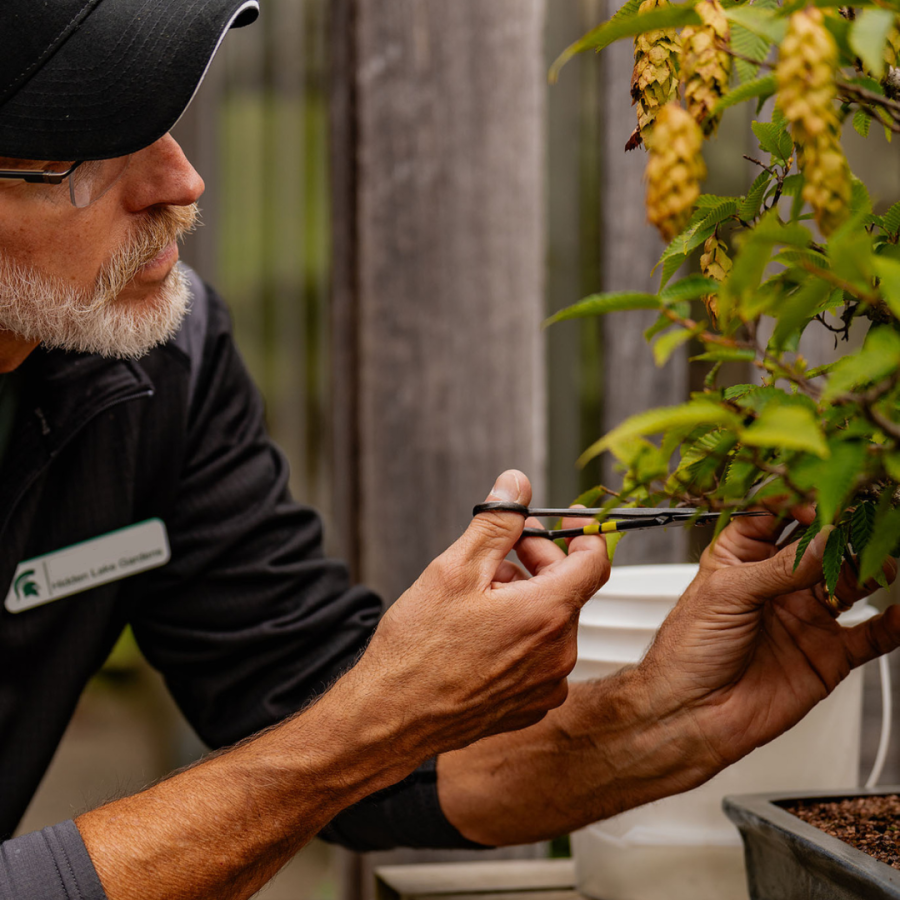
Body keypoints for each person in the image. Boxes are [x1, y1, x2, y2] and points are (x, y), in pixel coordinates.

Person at [0, 3, 897, 900]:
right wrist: (379, 716)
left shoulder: (158, 366)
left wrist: (661, 719)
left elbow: (299, 703)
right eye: (95, 155)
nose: (182, 181)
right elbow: (339, 740)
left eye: (163, 121)